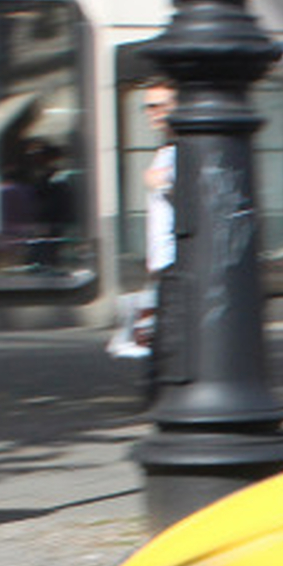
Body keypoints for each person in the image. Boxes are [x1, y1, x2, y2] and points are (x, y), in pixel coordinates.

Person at [108, 79, 175, 367]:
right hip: (162, 259)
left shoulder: (185, 148)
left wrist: (154, 178)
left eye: (159, 106)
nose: (152, 113)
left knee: (160, 333)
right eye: (148, 107)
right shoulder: (165, 150)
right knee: (152, 330)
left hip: (176, 259)